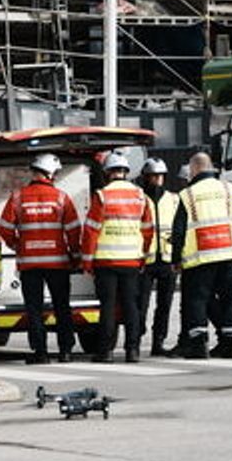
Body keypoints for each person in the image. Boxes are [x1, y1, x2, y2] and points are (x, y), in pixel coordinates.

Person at [0, 153, 83, 364]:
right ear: (51, 173)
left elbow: (5, 228)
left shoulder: (18, 197)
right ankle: (65, 351)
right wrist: (75, 256)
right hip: (58, 264)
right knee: (62, 307)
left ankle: (40, 353)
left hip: (29, 264)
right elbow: (73, 230)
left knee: (34, 309)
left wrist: (18, 245)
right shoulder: (61, 198)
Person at [82, 151, 155, 363]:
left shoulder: (102, 195)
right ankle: (132, 351)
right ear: (125, 172)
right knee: (131, 306)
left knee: (108, 307)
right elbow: (148, 229)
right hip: (132, 260)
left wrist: (87, 261)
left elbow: (91, 230)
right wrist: (143, 255)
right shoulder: (140, 195)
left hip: (106, 261)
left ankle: (105, 352)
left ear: (107, 173)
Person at [172, 163, 232, 358]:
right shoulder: (230, 189)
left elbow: (178, 231)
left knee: (197, 300)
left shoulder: (188, 195)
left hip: (201, 258)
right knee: (230, 299)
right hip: (229, 254)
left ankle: (198, 346)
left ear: (195, 171)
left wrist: (176, 259)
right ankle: (231, 344)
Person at [136, 157, 181, 357]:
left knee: (164, 305)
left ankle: (158, 341)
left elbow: (180, 230)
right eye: (153, 176)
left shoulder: (173, 199)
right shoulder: (138, 199)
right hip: (144, 260)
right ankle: (135, 339)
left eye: (160, 176)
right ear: (145, 178)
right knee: (141, 305)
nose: (157, 180)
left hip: (167, 260)